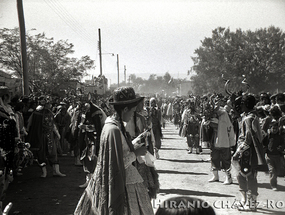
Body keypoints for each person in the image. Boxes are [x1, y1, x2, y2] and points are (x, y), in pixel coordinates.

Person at [74, 86, 154, 215]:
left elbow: (116, 152)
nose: (134, 114)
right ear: (125, 109)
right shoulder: (114, 130)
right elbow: (115, 164)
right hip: (124, 183)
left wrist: (133, 143)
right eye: (133, 110)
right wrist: (136, 153)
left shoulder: (112, 125)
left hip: (123, 180)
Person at [232, 94, 267, 212]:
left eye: (242, 104)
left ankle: (251, 203)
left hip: (247, 153)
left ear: (246, 105)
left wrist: (238, 152)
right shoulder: (252, 116)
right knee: (242, 175)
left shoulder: (248, 119)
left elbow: (248, 138)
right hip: (248, 151)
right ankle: (245, 201)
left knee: (248, 176)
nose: (240, 106)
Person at [26, 95, 66, 178]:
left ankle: (56, 171)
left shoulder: (50, 113)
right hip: (41, 136)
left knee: (53, 153)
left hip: (50, 136)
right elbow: (31, 123)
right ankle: (44, 172)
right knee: (41, 153)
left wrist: (57, 134)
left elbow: (53, 125)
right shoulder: (37, 112)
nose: (49, 105)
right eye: (47, 103)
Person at [262, 119, 285, 191]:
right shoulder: (268, 136)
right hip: (269, 156)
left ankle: (274, 181)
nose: (274, 130)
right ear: (270, 128)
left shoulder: (280, 137)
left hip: (278, 156)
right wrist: (265, 149)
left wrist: (281, 148)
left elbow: (283, 144)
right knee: (272, 171)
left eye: (276, 128)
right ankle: (273, 185)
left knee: (277, 171)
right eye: (273, 128)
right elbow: (263, 143)